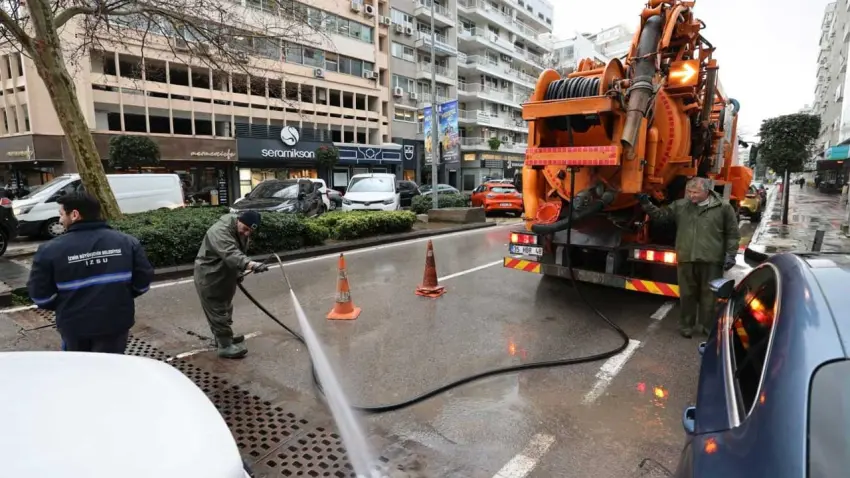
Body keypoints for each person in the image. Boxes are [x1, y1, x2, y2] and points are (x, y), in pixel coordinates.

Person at [27, 192, 154, 353]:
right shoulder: (127, 242)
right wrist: (121, 295)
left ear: (74, 214)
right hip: (116, 323)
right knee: (112, 370)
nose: (59, 220)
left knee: (80, 372)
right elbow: (143, 282)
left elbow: (40, 296)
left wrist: (66, 304)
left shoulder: (49, 250)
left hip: (74, 326)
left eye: (61, 214)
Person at [636, 177, 740, 338]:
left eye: (696, 193)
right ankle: (686, 326)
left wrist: (731, 254)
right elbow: (661, 216)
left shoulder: (723, 208)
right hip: (686, 257)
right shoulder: (680, 206)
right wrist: (646, 204)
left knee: (710, 296)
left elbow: (732, 233)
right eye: (689, 192)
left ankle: (707, 326)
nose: (691, 196)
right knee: (687, 294)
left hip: (712, 259)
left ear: (706, 192)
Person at [194, 210, 269, 359]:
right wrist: (250, 264)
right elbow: (230, 253)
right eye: (246, 229)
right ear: (238, 221)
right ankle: (225, 346)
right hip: (211, 276)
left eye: (250, 231)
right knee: (218, 310)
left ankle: (223, 337)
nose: (247, 234)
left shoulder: (238, 230)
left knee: (226, 308)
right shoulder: (219, 231)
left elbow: (238, 252)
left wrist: (238, 272)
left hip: (224, 276)